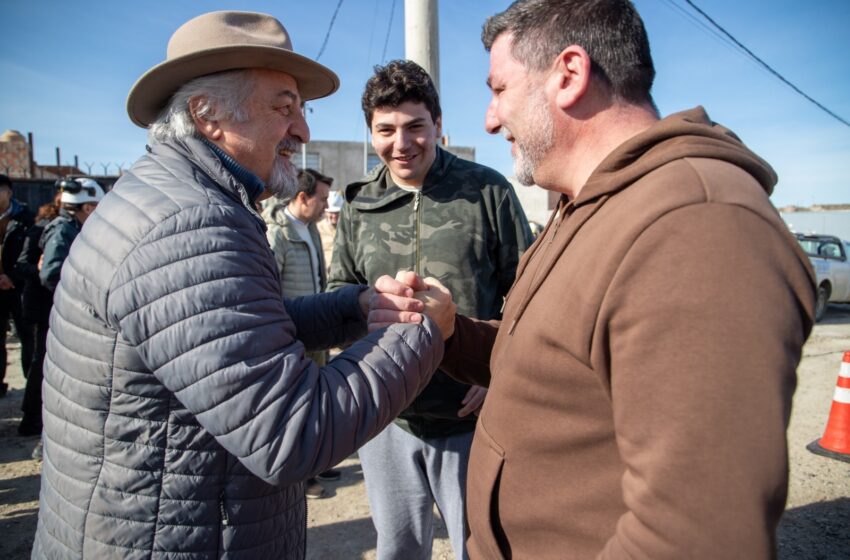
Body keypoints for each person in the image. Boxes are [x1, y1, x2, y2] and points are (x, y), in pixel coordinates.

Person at [372, 1, 817, 558]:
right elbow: (549, 363)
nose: (489, 118)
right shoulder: (586, 207)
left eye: (500, 89)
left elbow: (694, 536)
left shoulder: (697, 225)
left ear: (569, 74)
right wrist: (451, 333)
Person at [31, 11, 446, 559]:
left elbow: (230, 341)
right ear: (207, 116)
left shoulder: (175, 198)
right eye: (283, 107)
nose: (302, 131)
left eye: (302, 109)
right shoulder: (191, 224)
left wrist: (358, 305)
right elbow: (294, 433)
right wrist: (423, 332)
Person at [328, 59, 532, 560]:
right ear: (370, 133)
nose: (402, 143)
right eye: (386, 130)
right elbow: (338, 291)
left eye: (416, 126)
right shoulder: (358, 204)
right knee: (398, 549)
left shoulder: (487, 193)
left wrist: (496, 370)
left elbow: (530, 296)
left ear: (438, 125)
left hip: (471, 418)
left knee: (476, 547)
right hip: (386, 421)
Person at [262, 167, 340, 499]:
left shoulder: (307, 229)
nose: (325, 206)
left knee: (318, 400)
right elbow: (269, 290)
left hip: (314, 332)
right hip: (293, 333)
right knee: (299, 405)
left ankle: (318, 463)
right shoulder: (277, 234)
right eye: (320, 199)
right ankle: (303, 478)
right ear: (302, 197)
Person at [15, 188, 63, 438]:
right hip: (42, 306)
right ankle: (31, 417)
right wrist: (37, 268)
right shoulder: (45, 230)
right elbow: (25, 265)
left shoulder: (72, 229)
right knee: (39, 361)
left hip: (52, 307)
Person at [0, 173, 34, 399]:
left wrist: (11, 276)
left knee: (27, 338)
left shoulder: (24, 218)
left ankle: (31, 387)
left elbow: (29, 253)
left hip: (19, 286)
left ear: (9, 192)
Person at [317, 189, 343, 269]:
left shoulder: (347, 229)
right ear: (326, 212)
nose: (334, 216)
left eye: (337, 212)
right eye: (332, 212)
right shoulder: (318, 229)